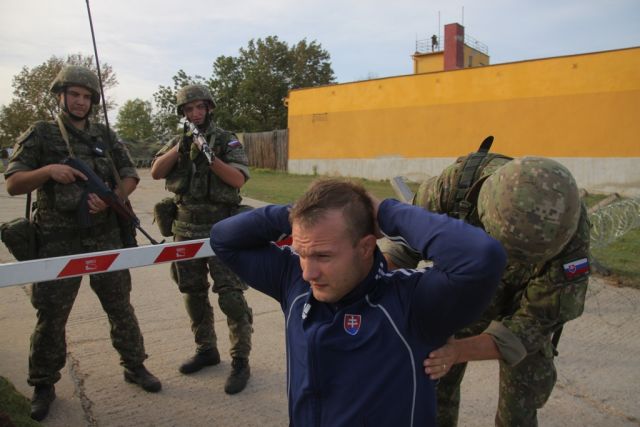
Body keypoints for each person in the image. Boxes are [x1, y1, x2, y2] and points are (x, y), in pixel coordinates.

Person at [210, 178, 506, 426]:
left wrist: (385, 212)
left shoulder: (412, 303)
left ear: (365, 247)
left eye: (323, 256)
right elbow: (223, 238)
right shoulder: (295, 282)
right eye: (301, 253)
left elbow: (481, 257)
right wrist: (295, 214)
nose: (309, 272)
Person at [380, 151, 590, 426]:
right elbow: (402, 247)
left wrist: (459, 351)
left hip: (526, 301)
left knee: (521, 402)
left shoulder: (568, 230)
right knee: (433, 385)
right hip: (463, 293)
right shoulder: (455, 187)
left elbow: (535, 322)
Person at [4, 65, 161, 422]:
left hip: (104, 236)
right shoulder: (42, 133)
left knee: (120, 306)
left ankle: (135, 365)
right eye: (74, 94)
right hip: (58, 243)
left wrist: (110, 199)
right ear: (60, 96)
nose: (80, 101)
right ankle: (43, 383)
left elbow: (130, 175)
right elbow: (13, 183)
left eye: (87, 96)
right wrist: (48, 171)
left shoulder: (104, 134)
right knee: (52, 315)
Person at [150, 84, 253, 394]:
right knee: (192, 293)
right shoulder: (176, 140)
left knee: (231, 296)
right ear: (183, 113)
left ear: (209, 108)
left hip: (222, 229)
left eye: (199, 107)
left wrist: (210, 157)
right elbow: (156, 172)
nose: (195, 113)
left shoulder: (227, 139)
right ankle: (206, 349)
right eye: (189, 108)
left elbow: (238, 178)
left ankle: (240, 360)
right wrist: (180, 147)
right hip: (185, 229)